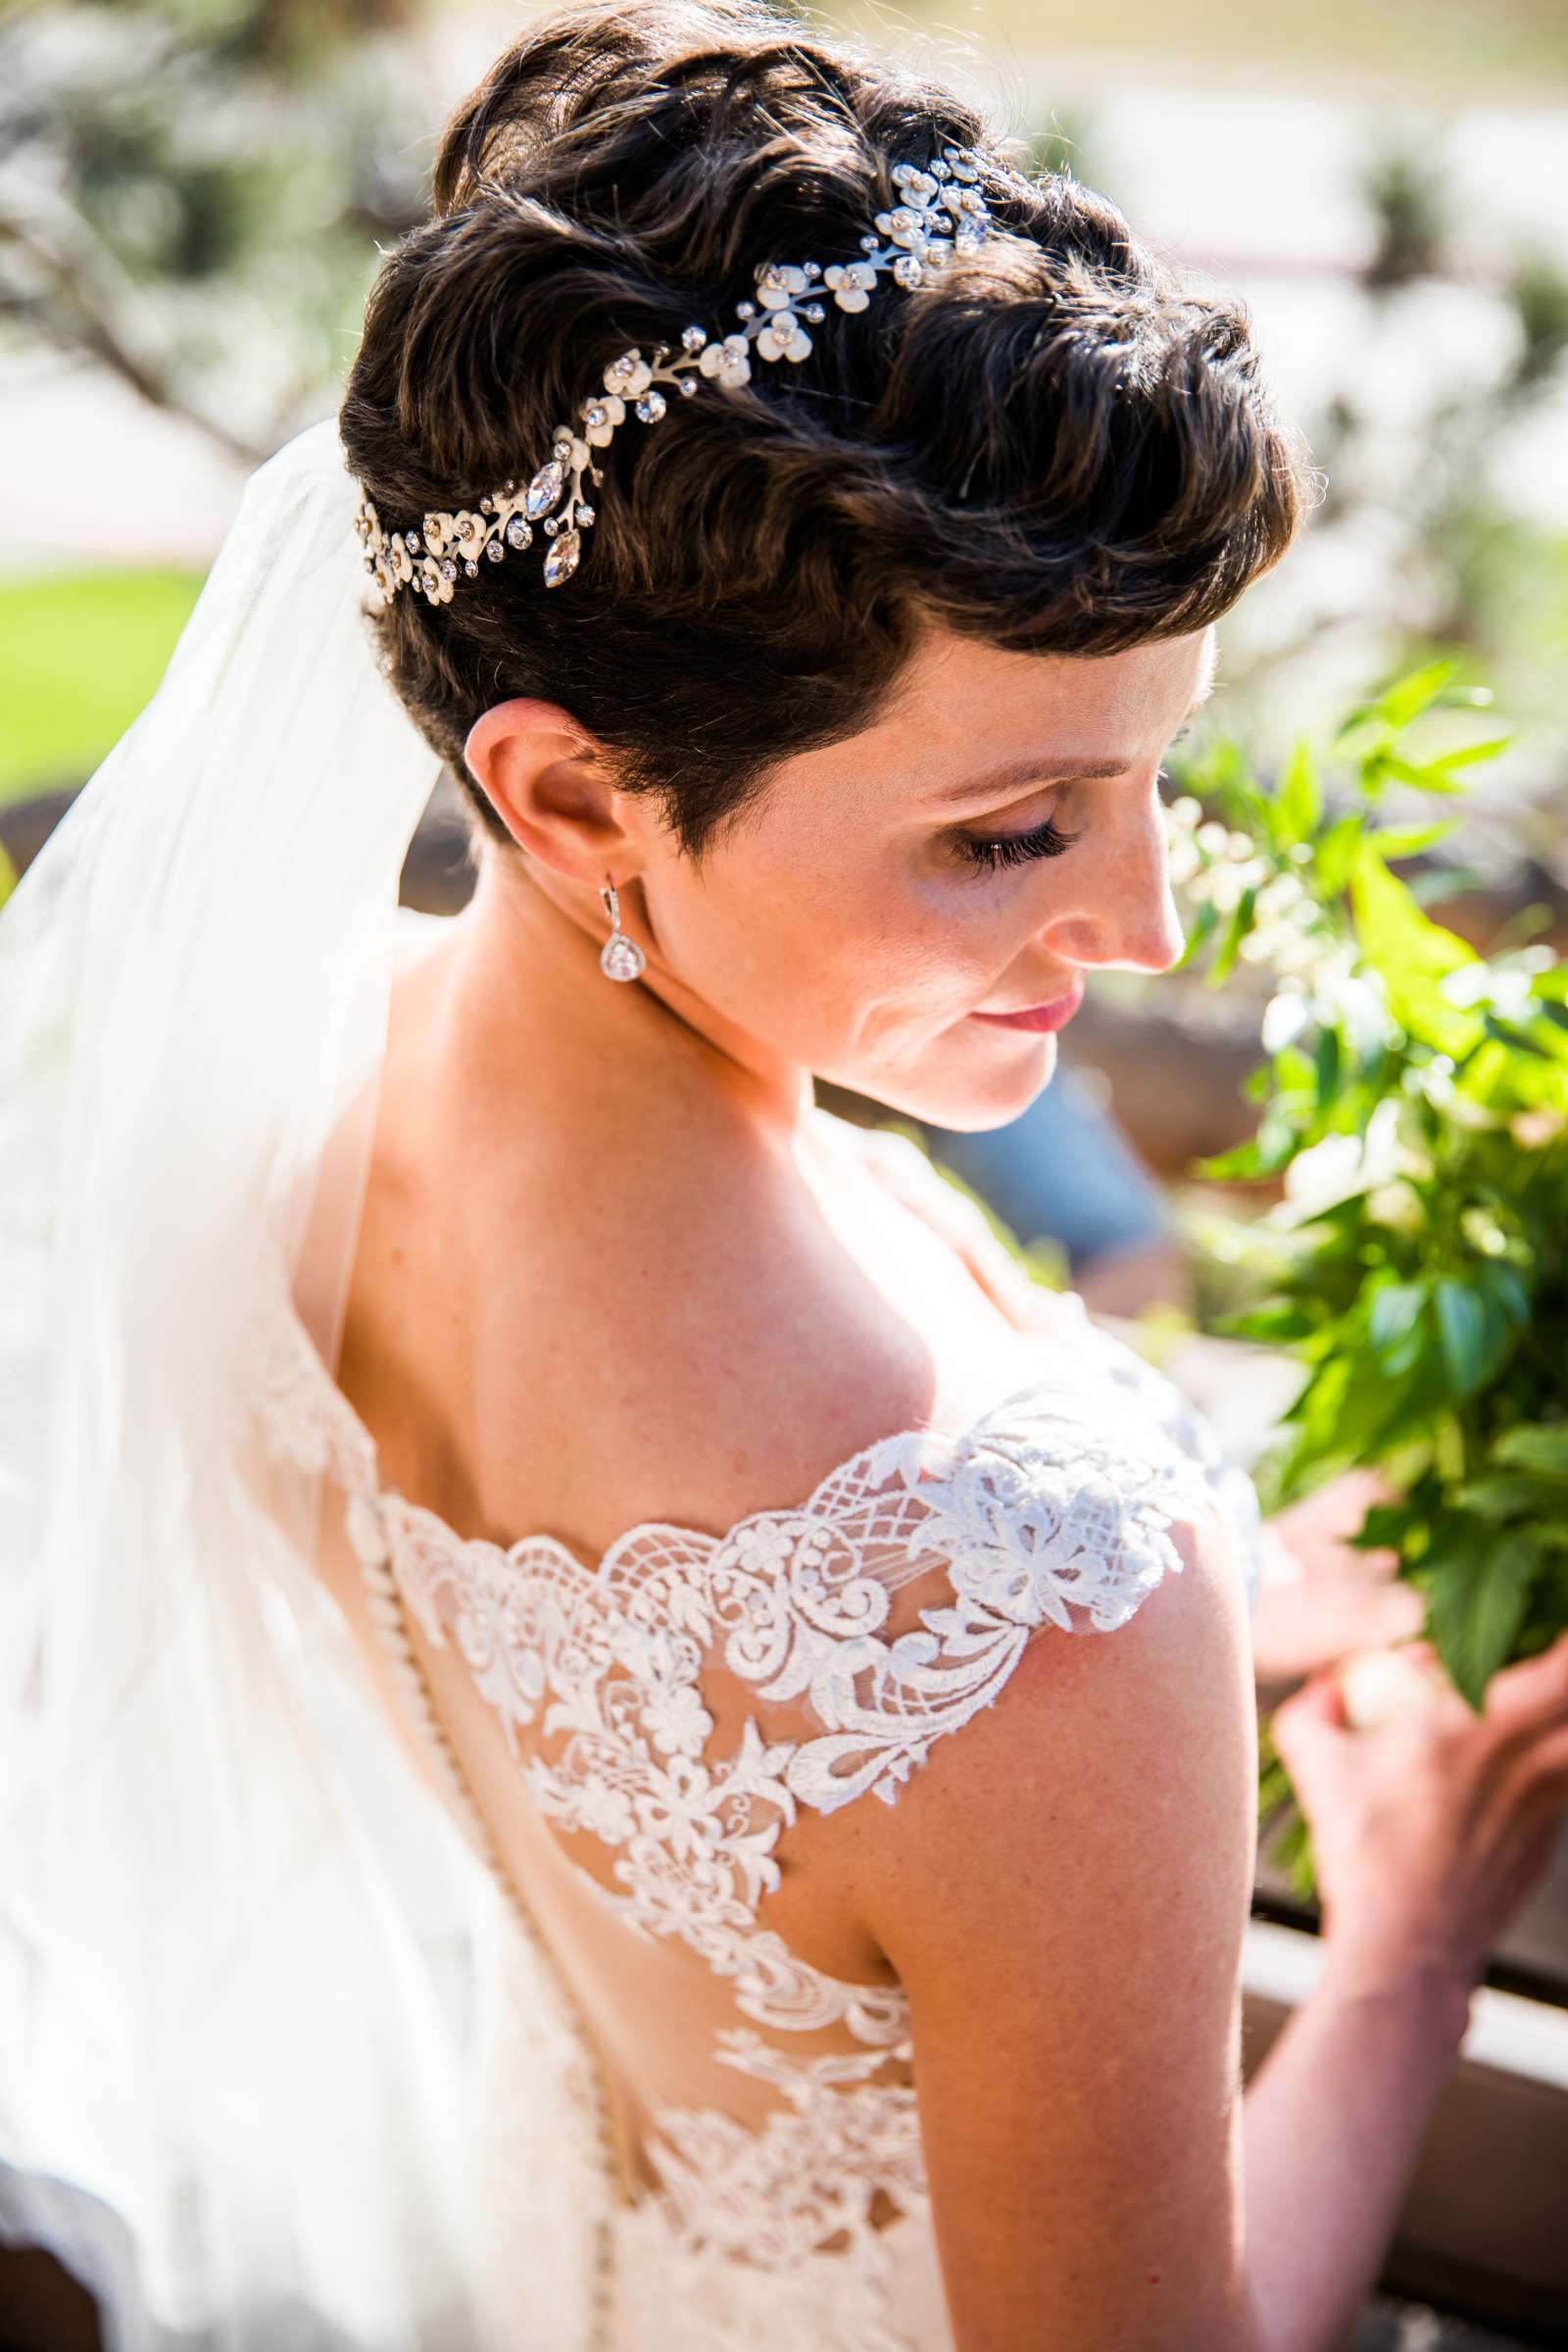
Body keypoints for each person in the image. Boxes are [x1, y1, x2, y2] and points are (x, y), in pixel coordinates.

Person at [2, 6, 1566, 2349]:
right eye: (1009, 831)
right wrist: (1409, 1948)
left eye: (1156, 770)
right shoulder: (1051, 1596)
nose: (1141, 926)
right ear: (565, 801)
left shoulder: (255, 1091)